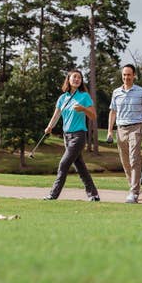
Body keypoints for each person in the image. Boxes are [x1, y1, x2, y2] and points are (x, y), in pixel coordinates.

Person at [44, 69, 100, 201]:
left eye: (79, 78)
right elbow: (56, 115)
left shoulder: (84, 96)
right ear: (68, 79)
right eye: (74, 77)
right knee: (80, 167)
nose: (77, 79)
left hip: (79, 136)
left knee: (63, 164)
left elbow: (93, 116)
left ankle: (53, 194)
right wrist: (49, 126)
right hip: (66, 137)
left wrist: (83, 109)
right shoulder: (62, 98)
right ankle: (94, 195)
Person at [107, 64, 142, 203]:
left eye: (129, 75)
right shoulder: (116, 92)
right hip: (120, 129)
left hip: (136, 128)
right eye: (124, 75)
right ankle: (133, 188)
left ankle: (134, 193)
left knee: (134, 160)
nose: (126, 77)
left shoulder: (141, 91)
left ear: (134, 76)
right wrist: (110, 130)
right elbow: (113, 112)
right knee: (125, 162)